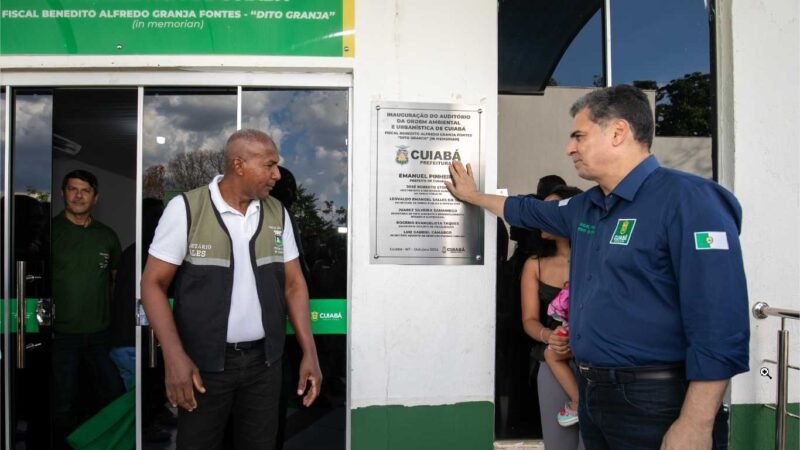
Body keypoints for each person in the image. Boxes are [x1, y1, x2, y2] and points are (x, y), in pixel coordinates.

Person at [446, 85, 749, 449]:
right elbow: (528, 210)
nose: (569, 148)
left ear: (618, 132)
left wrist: (696, 423)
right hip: (593, 395)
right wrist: (474, 197)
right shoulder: (587, 206)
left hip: (657, 400)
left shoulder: (691, 201)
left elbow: (721, 323)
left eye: (578, 136)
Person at [141, 129, 322, 450]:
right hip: (203, 366)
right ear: (238, 165)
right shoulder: (187, 209)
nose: (277, 175)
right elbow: (152, 284)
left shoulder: (277, 213)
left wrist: (310, 352)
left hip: (264, 365)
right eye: (269, 165)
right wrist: (174, 356)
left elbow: (294, 285)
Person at [51, 169, 125, 450]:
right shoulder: (50, 232)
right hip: (63, 335)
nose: (79, 195)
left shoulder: (106, 236)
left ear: (96, 198)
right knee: (63, 402)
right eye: (72, 189)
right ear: (62, 193)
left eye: (85, 190)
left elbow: (117, 281)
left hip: (99, 334)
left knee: (113, 393)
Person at [519, 185, 584, 449]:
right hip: (554, 362)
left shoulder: (599, 257)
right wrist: (550, 336)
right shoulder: (534, 263)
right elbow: (529, 320)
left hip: (599, 362)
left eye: (549, 211)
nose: (540, 216)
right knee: (558, 443)